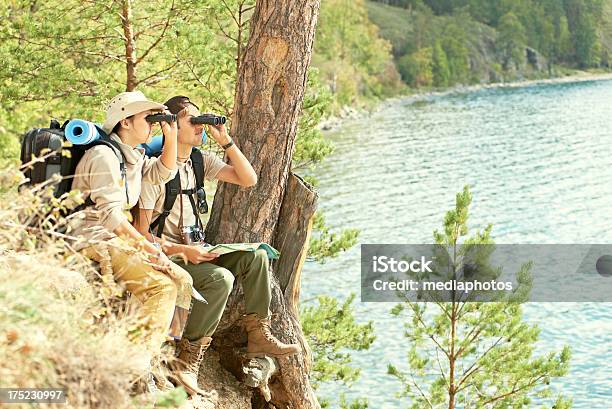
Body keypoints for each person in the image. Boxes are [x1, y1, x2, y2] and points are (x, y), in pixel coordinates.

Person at [134, 95, 300, 397]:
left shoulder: (199, 161)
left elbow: (248, 179)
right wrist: (184, 251)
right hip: (167, 255)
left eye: (201, 121)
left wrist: (225, 141)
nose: (199, 127)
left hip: (198, 249)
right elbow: (140, 234)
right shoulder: (154, 172)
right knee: (221, 278)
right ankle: (187, 359)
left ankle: (258, 334)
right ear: (172, 125)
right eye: (192, 122)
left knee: (258, 256)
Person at [69, 91, 196, 391]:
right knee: (163, 285)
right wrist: (149, 249)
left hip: (110, 237)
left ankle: (152, 357)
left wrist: (171, 132)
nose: (152, 124)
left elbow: (164, 172)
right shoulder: (104, 155)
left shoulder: (132, 156)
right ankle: (133, 366)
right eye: (147, 118)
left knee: (183, 281)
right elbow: (112, 218)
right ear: (125, 121)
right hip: (89, 236)